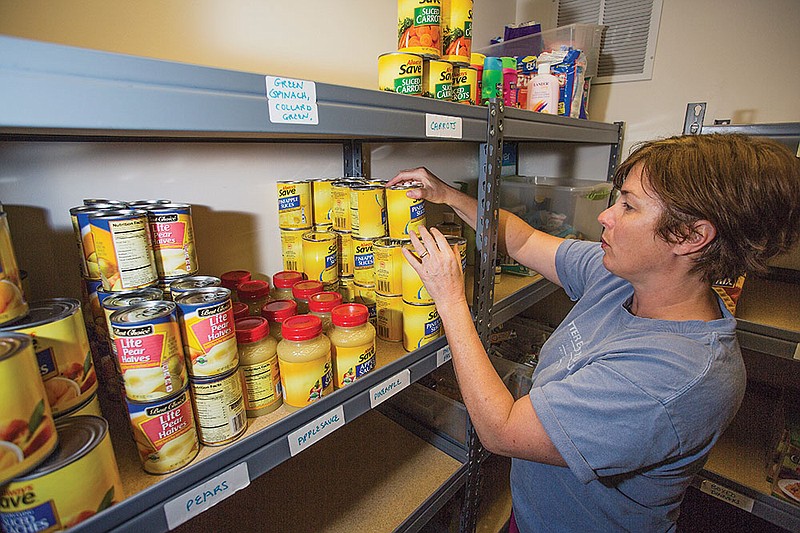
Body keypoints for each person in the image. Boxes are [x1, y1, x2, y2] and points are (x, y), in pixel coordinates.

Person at [386, 133, 800, 532]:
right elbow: (526, 239)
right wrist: (448, 195)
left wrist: (450, 300)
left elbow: (502, 429)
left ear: (691, 236)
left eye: (629, 206)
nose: (606, 215)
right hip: (535, 514)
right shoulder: (624, 277)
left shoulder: (677, 376)